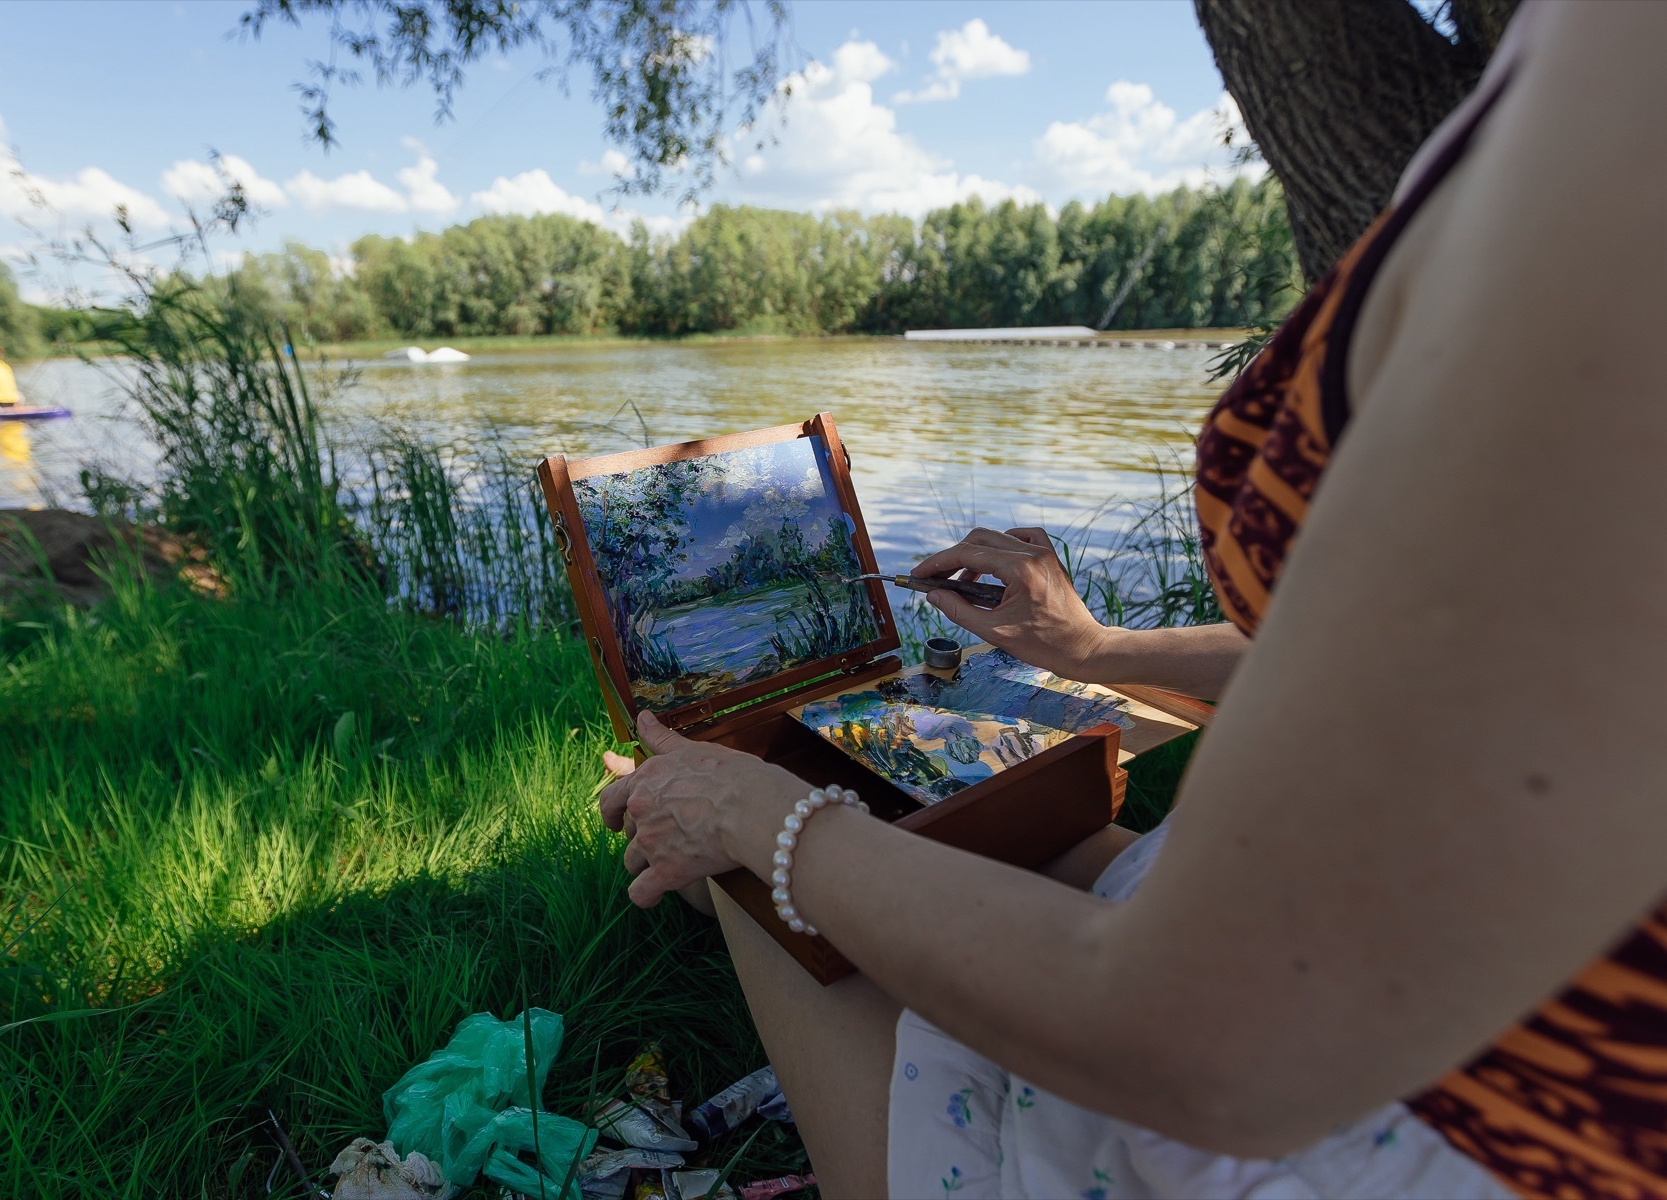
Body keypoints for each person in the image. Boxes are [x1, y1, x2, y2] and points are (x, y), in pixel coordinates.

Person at [597, 5, 1667, 1197]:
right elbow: (1451, 673)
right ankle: (701, 827)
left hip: (1390, 1113)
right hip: (1372, 938)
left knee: (764, 854)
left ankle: (703, 840)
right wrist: (1095, 647)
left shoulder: (1631, 98)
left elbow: (1200, 1046)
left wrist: (760, 819)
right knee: (897, 826)